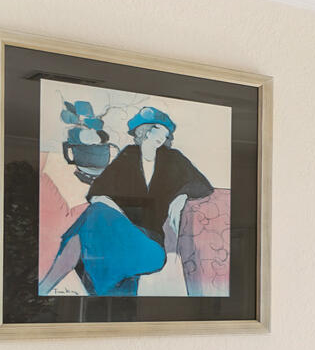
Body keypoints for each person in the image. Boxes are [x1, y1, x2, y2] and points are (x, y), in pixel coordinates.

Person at [39, 106, 214, 296]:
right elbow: (97, 192)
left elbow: (203, 185)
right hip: (119, 235)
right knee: (95, 212)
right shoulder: (129, 154)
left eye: (166, 133)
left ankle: (46, 286)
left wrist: (181, 196)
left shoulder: (173, 158)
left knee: (86, 226)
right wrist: (118, 214)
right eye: (158, 129)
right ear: (142, 131)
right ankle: (52, 287)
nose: (162, 136)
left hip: (150, 245)